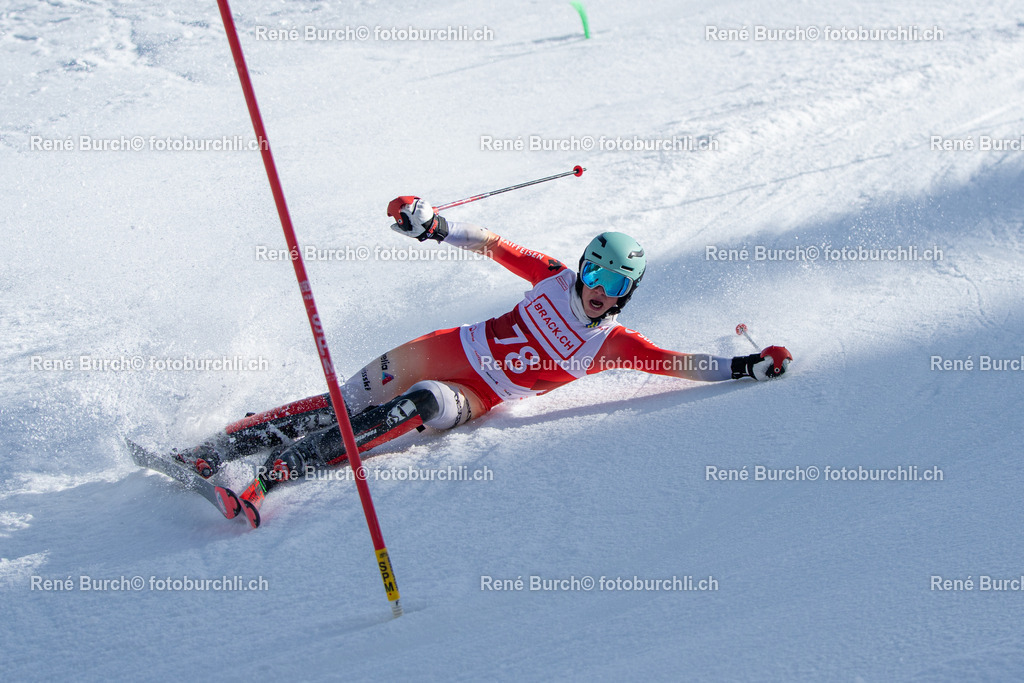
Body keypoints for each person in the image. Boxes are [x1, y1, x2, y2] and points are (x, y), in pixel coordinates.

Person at [174, 197, 792, 507]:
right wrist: (432, 224)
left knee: (415, 405)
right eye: (595, 276)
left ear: (628, 291)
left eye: (615, 286)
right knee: (345, 397)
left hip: (473, 394)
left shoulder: (612, 344)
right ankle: (216, 451)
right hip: (447, 347)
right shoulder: (551, 276)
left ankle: (270, 478)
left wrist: (748, 366)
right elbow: (494, 244)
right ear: (581, 269)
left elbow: (682, 364)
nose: (600, 294)